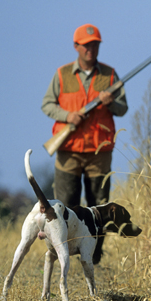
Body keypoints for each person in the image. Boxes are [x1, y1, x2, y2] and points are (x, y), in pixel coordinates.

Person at [41, 24, 128, 207]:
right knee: (64, 208)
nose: (91, 49)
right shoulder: (62, 74)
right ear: (76, 46)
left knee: (98, 209)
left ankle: (96, 238)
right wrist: (68, 116)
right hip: (69, 149)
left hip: (99, 152)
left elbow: (123, 109)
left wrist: (110, 102)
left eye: (95, 45)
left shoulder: (110, 74)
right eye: (86, 45)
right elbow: (47, 104)